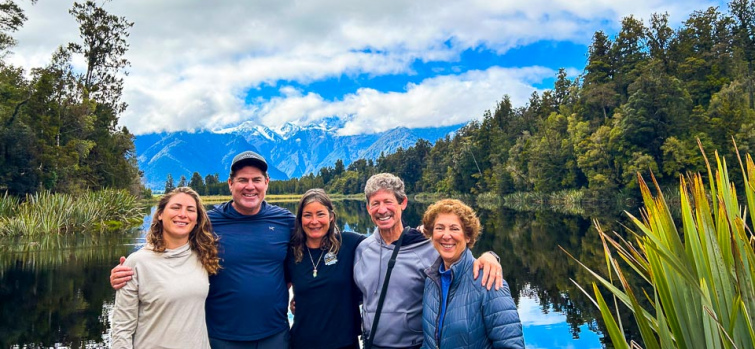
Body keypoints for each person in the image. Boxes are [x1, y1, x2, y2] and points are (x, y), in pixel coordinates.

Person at [110, 150, 296, 348]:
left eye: (256, 180)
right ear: (230, 184)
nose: (250, 186)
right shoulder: (207, 222)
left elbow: (312, 254)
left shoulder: (285, 221)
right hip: (220, 337)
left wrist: (306, 295)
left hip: (275, 334)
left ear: (266, 182)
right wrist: (131, 271)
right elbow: (171, 246)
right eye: (242, 180)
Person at [353, 173, 504, 349]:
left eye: (388, 202)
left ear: (403, 203)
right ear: (368, 208)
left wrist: (490, 257)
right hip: (372, 344)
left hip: (416, 345)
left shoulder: (429, 247)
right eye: (375, 204)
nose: (382, 210)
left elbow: (462, 267)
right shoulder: (362, 249)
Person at [111, 187, 221, 349]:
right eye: (176, 207)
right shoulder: (137, 262)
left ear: (197, 219)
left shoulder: (204, 256)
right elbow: (122, 328)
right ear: (160, 214)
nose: (183, 214)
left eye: (190, 210)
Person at [420, 199, 524, 349]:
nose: (446, 235)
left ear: (468, 236)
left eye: (454, 229)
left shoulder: (488, 279)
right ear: (431, 234)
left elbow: (511, 345)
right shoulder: (431, 281)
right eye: (439, 228)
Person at [286, 188, 365, 349]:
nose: (314, 221)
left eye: (320, 214)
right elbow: (277, 289)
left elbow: (385, 244)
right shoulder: (291, 253)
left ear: (331, 217)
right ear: (300, 219)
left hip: (344, 343)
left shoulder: (349, 243)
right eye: (308, 215)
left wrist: (418, 233)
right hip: (302, 342)